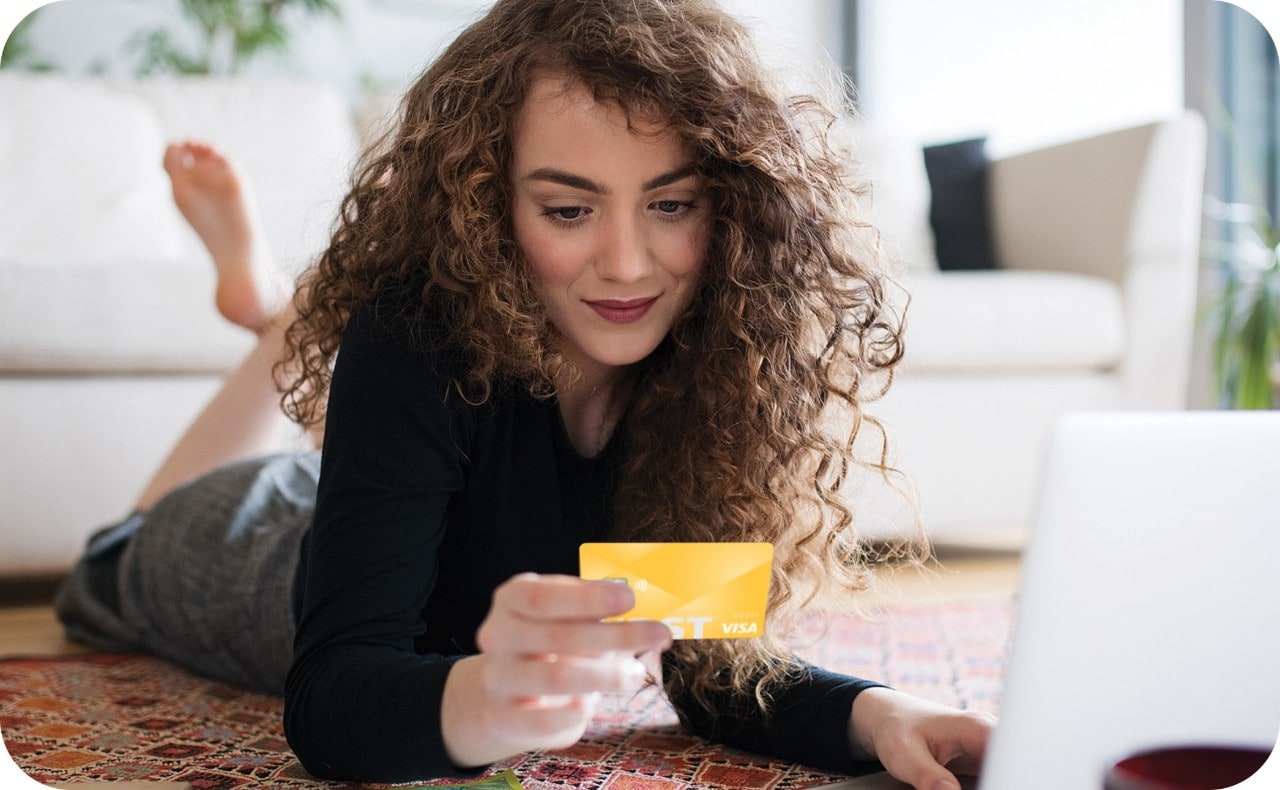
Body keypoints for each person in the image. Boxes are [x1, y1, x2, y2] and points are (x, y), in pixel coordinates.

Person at [54, 0, 995, 787]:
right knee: (118, 551)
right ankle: (279, 320)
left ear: (731, 205)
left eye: (670, 205)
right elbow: (333, 701)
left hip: (369, 507)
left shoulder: (720, 359)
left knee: (338, 465)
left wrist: (880, 714)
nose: (627, 265)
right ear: (488, 205)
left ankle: (283, 324)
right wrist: (479, 696)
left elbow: (709, 665)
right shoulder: (415, 327)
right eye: (568, 209)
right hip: (246, 553)